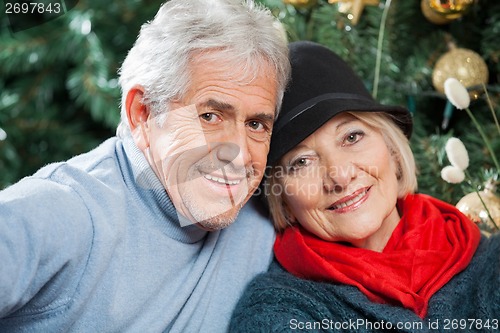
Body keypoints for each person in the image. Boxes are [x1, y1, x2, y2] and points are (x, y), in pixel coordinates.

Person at [0, 0, 291, 331]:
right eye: (209, 116)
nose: (238, 155)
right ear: (144, 113)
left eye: (256, 124)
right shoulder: (62, 212)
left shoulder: (263, 219)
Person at [229, 41, 499, 332]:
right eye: (301, 161)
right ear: (281, 199)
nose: (340, 177)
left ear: (392, 149)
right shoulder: (275, 309)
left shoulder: (489, 264)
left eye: (352, 137)